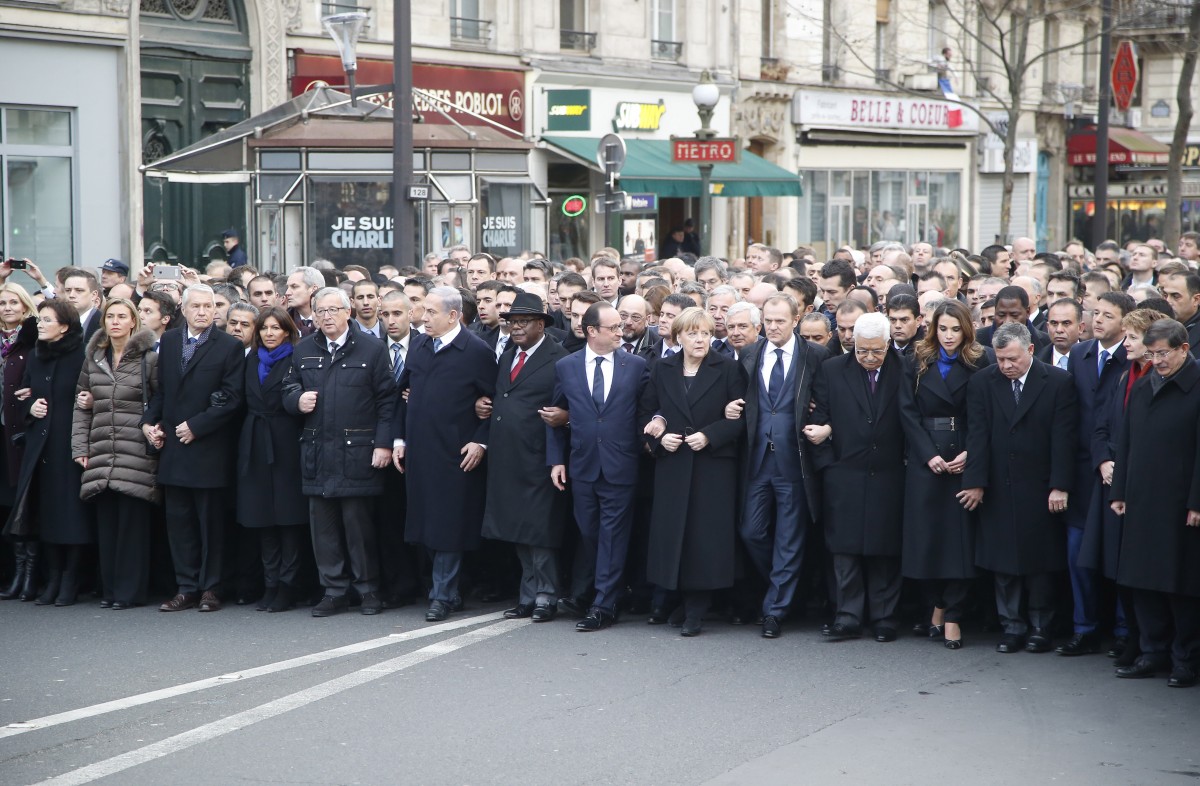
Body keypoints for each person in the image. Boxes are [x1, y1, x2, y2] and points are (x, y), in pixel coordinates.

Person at [961, 322, 1077, 654]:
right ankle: (1011, 625)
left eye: (1012, 359)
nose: (1006, 366)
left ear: (1029, 350)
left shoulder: (1057, 382)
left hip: (1039, 487)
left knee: (1039, 562)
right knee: (1003, 563)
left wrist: (1060, 485)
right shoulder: (983, 382)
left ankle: (1041, 626)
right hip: (998, 485)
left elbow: (1063, 438)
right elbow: (977, 435)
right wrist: (976, 482)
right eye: (1000, 359)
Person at [283, 287, 394, 617]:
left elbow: (386, 401)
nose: (327, 317)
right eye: (321, 311)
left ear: (349, 313)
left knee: (359, 527)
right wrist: (295, 400)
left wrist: (384, 443)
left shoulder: (371, 349)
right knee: (324, 528)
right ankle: (334, 590)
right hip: (317, 452)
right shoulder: (303, 349)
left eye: (333, 310)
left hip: (357, 452)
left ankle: (368, 588)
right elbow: (289, 387)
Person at [726, 294, 828, 639]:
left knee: (790, 537)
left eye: (780, 321)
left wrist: (820, 418)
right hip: (757, 460)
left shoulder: (814, 355)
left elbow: (826, 399)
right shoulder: (750, 353)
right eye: (768, 321)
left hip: (794, 461)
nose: (772, 327)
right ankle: (785, 586)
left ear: (796, 320)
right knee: (750, 532)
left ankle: (775, 611)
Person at [640, 308, 746, 636]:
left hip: (712, 468)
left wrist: (711, 435)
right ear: (679, 337)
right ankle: (683, 602)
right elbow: (648, 412)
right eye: (693, 333)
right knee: (676, 537)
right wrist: (660, 438)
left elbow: (742, 418)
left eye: (705, 333)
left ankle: (697, 609)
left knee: (705, 539)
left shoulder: (728, 368)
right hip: (673, 466)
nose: (700, 339)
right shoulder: (662, 368)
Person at [392, 287, 496, 622]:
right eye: (423, 311)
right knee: (424, 525)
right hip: (421, 452)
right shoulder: (421, 344)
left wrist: (480, 441)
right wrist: (399, 439)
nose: (423, 319)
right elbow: (403, 392)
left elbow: (495, 404)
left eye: (431, 312)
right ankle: (445, 589)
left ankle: (443, 594)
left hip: (455, 454)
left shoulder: (476, 351)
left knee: (449, 527)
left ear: (453, 316)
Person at [143, 284, 246, 613]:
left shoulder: (228, 346)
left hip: (209, 448)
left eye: (209, 306)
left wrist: (197, 426)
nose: (204, 311)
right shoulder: (171, 341)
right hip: (174, 446)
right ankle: (186, 586)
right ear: (184, 310)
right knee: (179, 522)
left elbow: (232, 398)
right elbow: (162, 391)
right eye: (197, 306)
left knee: (211, 524)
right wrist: (149, 422)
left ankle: (211, 588)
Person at [548, 302, 649, 631]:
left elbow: (643, 413)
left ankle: (604, 604)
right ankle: (608, 589)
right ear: (592, 331)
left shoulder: (635, 365)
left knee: (613, 535)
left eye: (622, 326)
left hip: (621, 466)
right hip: (583, 464)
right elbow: (554, 415)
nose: (622, 331)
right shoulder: (567, 367)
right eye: (614, 327)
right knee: (591, 532)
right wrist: (556, 461)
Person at [1111, 319, 1200, 687]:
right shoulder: (1144, 384)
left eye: (1164, 353)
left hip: (1180, 502)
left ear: (1184, 349)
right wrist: (1119, 491)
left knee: (1180, 586)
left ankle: (1186, 659)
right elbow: (1126, 441)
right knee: (1142, 582)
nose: (1158, 360)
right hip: (1142, 499)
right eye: (1153, 353)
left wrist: (1197, 501)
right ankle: (1152, 651)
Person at [898, 300, 992, 649]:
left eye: (955, 329)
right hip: (927, 457)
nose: (949, 335)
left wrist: (971, 452)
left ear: (966, 329)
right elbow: (906, 412)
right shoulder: (917, 360)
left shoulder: (980, 360)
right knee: (928, 539)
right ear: (933, 328)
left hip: (964, 452)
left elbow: (984, 414)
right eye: (943, 328)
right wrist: (928, 455)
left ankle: (953, 614)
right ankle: (936, 603)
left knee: (961, 541)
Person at [809, 313, 906, 642]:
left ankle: (884, 616)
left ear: (888, 344)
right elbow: (817, 417)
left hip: (890, 472)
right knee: (845, 550)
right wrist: (828, 466)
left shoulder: (905, 369)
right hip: (845, 474)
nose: (868, 358)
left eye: (875, 351)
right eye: (861, 351)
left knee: (885, 548)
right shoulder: (833, 370)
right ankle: (848, 615)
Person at [1084, 307, 1168, 667]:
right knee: (1118, 568)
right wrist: (1103, 461)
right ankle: (1132, 638)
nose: (1126, 342)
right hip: (1113, 482)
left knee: (1142, 571)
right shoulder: (1123, 377)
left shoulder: (1158, 380)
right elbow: (1100, 426)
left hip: (1142, 487)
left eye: (1133, 337)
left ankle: (1149, 644)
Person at [479, 293, 569, 622]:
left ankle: (546, 596)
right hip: (507, 457)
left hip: (539, 457)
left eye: (523, 322)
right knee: (516, 529)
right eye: (512, 322)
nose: (516, 328)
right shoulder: (507, 355)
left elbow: (565, 408)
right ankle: (527, 594)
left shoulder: (558, 358)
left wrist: (565, 416)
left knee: (540, 531)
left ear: (541, 324)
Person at [1057, 292, 1135, 657]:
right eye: (1096, 313)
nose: (1099, 320)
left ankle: (1123, 629)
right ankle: (1084, 626)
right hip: (1082, 470)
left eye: (1108, 315)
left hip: (1119, 469)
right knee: (1078, 553)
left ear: (1126, 321)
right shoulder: (1080, 354)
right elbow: (1069, 415)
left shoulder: (1133, 358)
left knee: (1118, 553)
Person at [71, 298, 160, 609]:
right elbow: (80, 406)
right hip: (100, 450)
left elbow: (159, 402)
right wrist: (80, 447)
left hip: (135, 450)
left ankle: (130, 593)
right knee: (107, 526)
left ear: (133, 321)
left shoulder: (148, 358)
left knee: (132, 527)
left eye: (123, 316)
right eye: (110, 316)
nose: (116, 322)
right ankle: (110, 591)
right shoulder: (94, 357)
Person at [3, 299, 90, 606]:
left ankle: (70, 578)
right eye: (39, 319)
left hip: (70, 445)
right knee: (46, 514)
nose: (39, 324)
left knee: (72, 515)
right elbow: (24, 393)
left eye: (46, 320)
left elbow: (91, 394)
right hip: (40, 446)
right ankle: (52, 578)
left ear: (64, 326)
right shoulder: (36, 355)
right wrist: (31, 407)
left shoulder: (82, 354)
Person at [237, 307, 306, 613]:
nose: (269, 333)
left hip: (286, 442)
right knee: (263, 517)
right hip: (255, 442)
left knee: (288, 518)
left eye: (276, 328)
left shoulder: (296, 358)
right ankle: (271, 583)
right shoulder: (250, 359)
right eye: (264, 328)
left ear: (287, 331)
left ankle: (288, 586)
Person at [0, 283, 38, 601]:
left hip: (19, 433)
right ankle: (9, 572)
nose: (7, 307)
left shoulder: (31, 343)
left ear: (26, 307)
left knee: (19, 505)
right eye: (2, 302)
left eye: (14, 302)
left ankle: (27, 575)